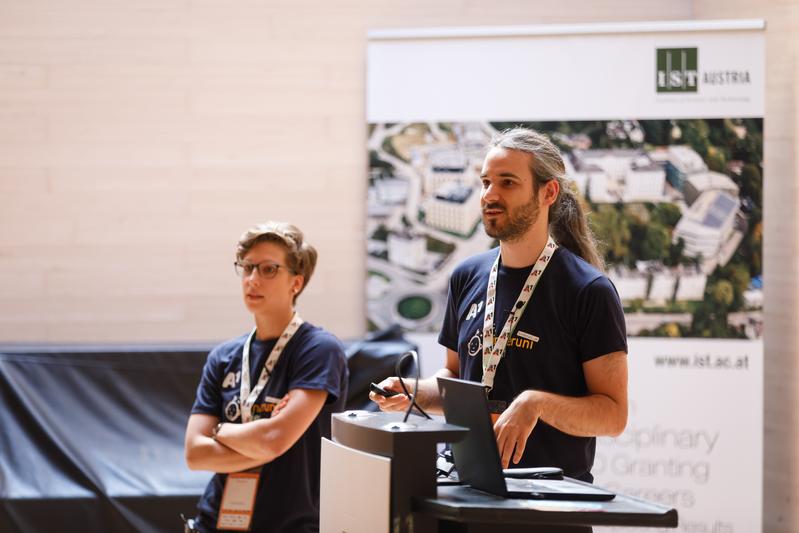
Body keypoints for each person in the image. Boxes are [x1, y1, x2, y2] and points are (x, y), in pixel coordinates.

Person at [371, 128, 628, 483]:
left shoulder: (588, 290)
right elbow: (454, 377)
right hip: (465, 487)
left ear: (547, 192)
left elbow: (613, 416)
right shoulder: (465, 276)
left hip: (549, 501)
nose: (490, 195)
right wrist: (413, 392)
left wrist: (534, 404)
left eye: (507, 183)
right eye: (486, 182)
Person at [185, 222, 348, 532]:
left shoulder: (318, 349)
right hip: (217, 520)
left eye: (269, 269)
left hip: (291, 523)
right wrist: (260, 439)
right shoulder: (223, 357)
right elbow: (194, 453)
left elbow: (273, 441)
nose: (252, 279)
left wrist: (220, 430)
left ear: (296, 283)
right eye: (247, 268)